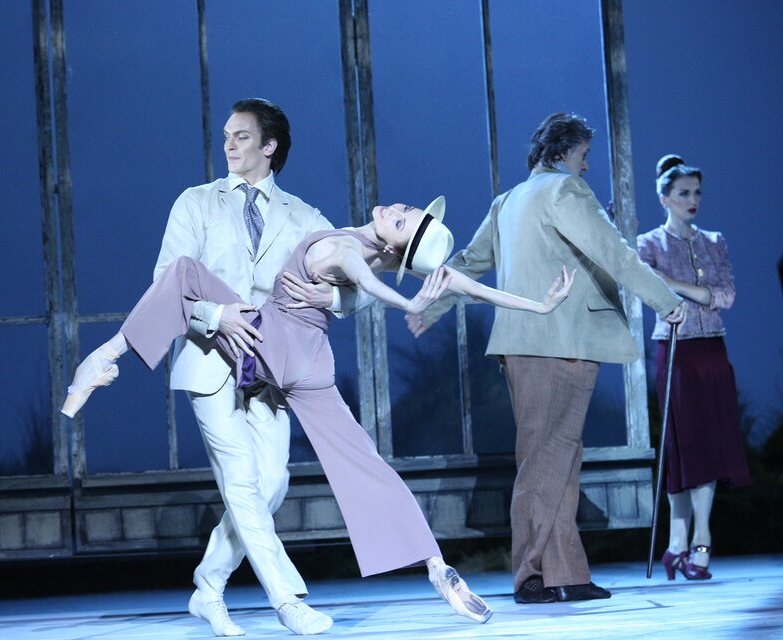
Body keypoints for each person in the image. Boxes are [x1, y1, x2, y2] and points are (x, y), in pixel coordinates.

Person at [63, 192, 576, 631]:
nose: (396, 208)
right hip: (311, 367)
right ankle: (435, 565)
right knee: (365, 465)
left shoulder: (350, 249)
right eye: (406, 209)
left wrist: (409, 305)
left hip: (266, 342)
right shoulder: (361, 247)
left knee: (183, 272)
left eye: (401, 221)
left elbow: (368, 281)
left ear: (395, 248)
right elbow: (460, 285)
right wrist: (537, 306)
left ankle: (104, 357)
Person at [93, 98, 368, 637]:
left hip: (270, 370)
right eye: (226, 136)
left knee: (272, 483)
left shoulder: (305, 217)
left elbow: (355, 287)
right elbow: (166, 284)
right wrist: (216, 316)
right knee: (241, 480)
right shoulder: (196, 202)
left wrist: (330, 297)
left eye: (241, 136)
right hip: (207, 361)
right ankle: (289, 601)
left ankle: (209, 585)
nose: (229, 144)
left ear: (270, 145)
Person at [407, 113, 685, 605]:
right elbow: (616, 254)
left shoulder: (508, 200)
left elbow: (470, 262)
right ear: (563, 151)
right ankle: (531, 574)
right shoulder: (566, 190)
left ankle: (566, 573)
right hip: (560, 342)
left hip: (524, 344)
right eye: (584, 156)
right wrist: (666, 302)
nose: (586, 166)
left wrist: (432, 306)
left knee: (558, 458)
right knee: (545, 459)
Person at [636, 154, 750, 580]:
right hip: (676, 350)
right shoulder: (648, 244)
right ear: (664, 198)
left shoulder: (714, 241)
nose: (693, 200)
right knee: (683, 447)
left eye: (697, 192)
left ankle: (696, 540)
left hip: (712, 350)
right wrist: (697, 292)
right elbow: (647, 287)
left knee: (711, 444)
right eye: (683, 192)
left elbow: (726, 296)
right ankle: (678, 542)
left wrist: (677, 285)